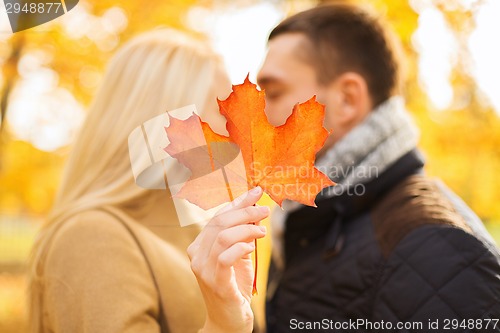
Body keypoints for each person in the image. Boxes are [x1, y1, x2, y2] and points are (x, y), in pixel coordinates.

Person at [189, 3, 500, 333]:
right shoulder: (311, 222)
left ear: (348, 99)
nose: (257, 116)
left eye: (274, 92)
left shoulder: (439, 250)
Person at [28, 29, 269, 333]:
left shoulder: (195, 232)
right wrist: (222, 327)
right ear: (165, 120)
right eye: (222, 109)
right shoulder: (91, 237)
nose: (235, 130)